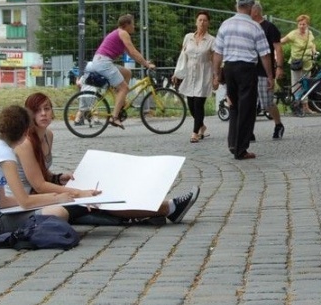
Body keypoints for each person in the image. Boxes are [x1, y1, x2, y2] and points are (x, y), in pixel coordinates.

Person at [11, 93, 199, 225]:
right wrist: (79, 193)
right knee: (100, 200)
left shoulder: (48, 135)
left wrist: (58, 177)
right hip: (30, 201)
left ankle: (165, 207)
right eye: (37, 110)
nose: (43, 114)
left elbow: (43, 174)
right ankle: (169, 208)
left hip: (43, 194)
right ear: (29, 114)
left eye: (47, 109)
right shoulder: (25, 142)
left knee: (103, 191)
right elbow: (39, 185)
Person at [0, 105, 76, 243]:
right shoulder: (5, 155)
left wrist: (48, 199)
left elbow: (2, 201)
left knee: (52, 211)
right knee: (58, 212)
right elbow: (25, 202)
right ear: (26, 132)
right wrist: (56, 198)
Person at [211, 0, 274, 160]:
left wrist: (216, 73)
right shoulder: (255, 27)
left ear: (236, 6)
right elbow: (265, 54)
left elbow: (217, 52)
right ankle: (241, 149)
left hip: (229, 68)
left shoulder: (225, 25)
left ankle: (233, 143)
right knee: (247, 108)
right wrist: (270, 76)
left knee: (234, 106)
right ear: (251, 7)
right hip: (246, 69)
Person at [85, 14, 156, 129]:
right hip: (104, 62)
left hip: (100, 61)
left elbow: (131, 54)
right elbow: (134, 51)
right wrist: (147, 65)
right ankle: (114, 117)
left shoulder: (118, 33)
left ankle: (121, 99)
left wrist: (144, 62)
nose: (134, 26)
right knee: (124, 88)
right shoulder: (123, 33)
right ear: (126, 24)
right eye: (133, 24)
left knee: (127, 73)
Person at [173, 11, 215, 143]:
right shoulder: (188, 37)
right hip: (189, 73)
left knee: (198, 104)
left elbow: (215, 60)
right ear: (196, 22)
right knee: (191, 104)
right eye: (200, 20)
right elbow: (182, 56)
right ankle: (201, 126)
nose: (202, 22)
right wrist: (177, 73)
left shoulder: (212, 40)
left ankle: (195, 133)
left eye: (205, 20)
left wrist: (216, 76)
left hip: (204, 74)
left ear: (208, 23)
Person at [251, 0, 285, 139]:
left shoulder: (269, 27)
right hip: (249, 69)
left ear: (256, 11)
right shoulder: (249, 27)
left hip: (265, 70)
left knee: (267, 103)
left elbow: (278, 48)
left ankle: (278, 124)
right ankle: (249, 131)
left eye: (250, 9)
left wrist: (279, 67)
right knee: (249, 102)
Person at [281, 14, 317, 115]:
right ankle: (296, 106)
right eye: (300, 24)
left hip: (308, 63)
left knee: (306, 85)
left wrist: (314, 50)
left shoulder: (310, 33)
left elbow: (312, 44)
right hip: (296, 63)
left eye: (303, 24)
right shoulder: (293, 34)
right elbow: (281, 42)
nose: (301, 26)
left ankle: (306, 107)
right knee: (296, 86)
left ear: (307, 25)